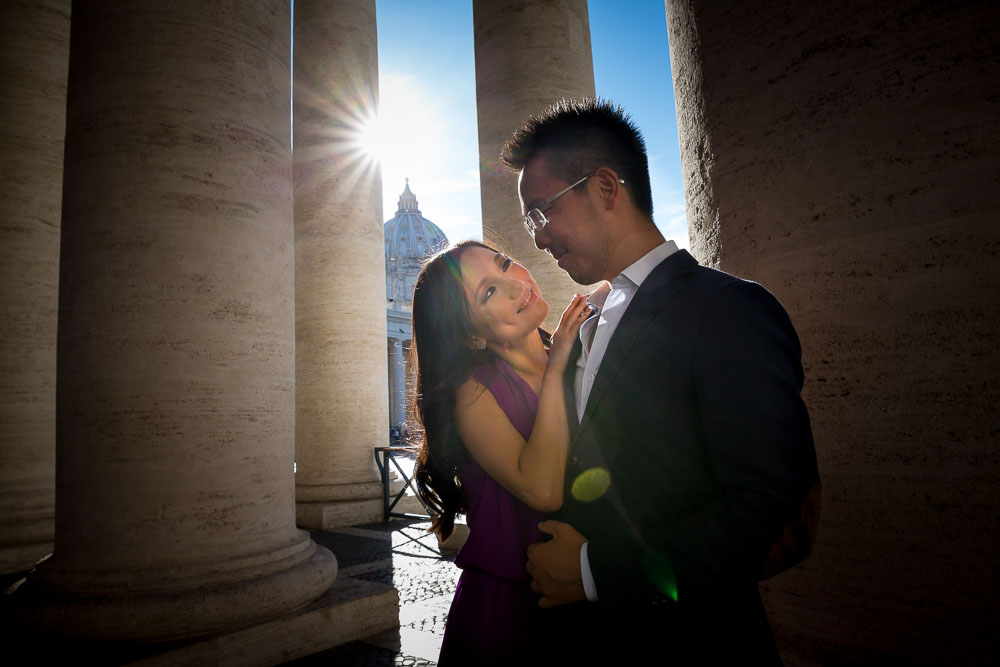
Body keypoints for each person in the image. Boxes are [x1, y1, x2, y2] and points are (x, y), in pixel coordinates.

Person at [499, 98, 821, 664]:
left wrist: (594, 570)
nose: (538, 239)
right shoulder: (582, 325)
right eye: (530, 222)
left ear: (604, 188)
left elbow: (770, 509)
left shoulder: (730, 309)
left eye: (541, 212)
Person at [409, 240, 591, 665]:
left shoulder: (579, 354)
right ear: (471, 333)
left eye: (505, 264)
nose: (515, 284)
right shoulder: (470, 393)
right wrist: (559, 363)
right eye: (488, 292)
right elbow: (543, 489)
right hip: (508, 614)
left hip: (583, 595)